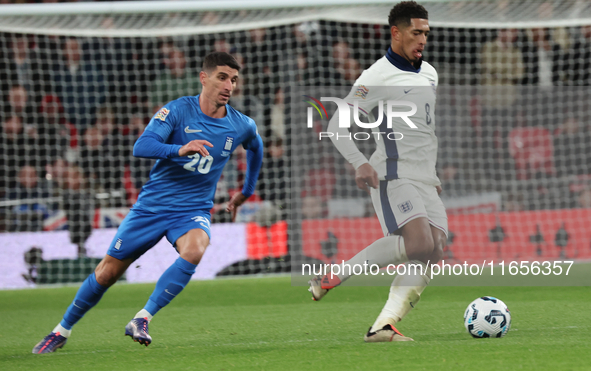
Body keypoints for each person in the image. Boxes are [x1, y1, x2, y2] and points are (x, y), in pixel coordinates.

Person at [32, 52, 264, 353]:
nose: (229, 85)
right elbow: (142, 146)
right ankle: (61, 331)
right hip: (152, 207)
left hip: (192, 210)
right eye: (222, 77)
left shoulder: (241, 124)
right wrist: (180, 149)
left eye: (233, 80)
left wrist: (246, 191)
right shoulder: (178, 110)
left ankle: (142, 318)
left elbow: (256, 147)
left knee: (195, 249)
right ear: (203, 78)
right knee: (106, 273)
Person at [308, 1, 447, 343]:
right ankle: (336, 274)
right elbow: (338, 124)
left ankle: (383, 326)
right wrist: (361, 161)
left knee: (436, 249)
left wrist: (434, 175)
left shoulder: (430, 73)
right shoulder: (376, 76)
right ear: (396, 32)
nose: (422, 40)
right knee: (419, 243)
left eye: (426, 33)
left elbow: (423, 131)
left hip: (425, 177)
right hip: (393, 175)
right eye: (416, 33)